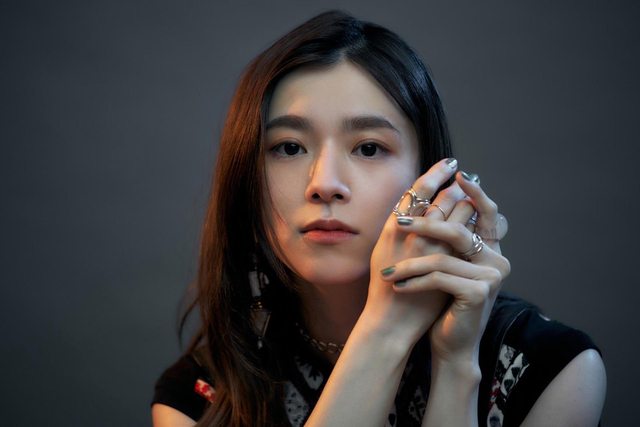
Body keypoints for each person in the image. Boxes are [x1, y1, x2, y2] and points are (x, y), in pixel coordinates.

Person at [151, 10, 606, 427]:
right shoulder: (199, 396)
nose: (324, 183)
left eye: (369, 148)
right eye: (289, 147)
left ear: (429, 174)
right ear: (246, 178)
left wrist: (456, 366)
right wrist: (385, 330)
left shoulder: (553, 372)